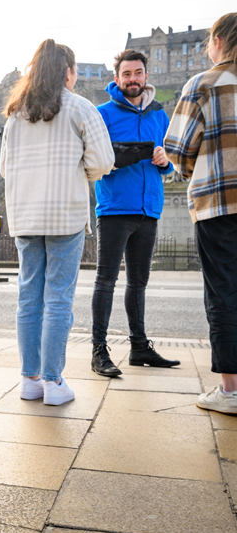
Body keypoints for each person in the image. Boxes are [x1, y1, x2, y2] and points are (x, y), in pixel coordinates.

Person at [1, 39, 114, 405]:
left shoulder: (16, 114)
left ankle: (29, 379)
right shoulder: (80, 108)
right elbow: (103, 163)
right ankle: (53, 382)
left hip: (26, 216)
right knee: (58, 300)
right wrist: (75, 170)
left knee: (28, 298)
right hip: (65, 213)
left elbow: (5, 168)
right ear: (67, 72)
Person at [90, 50, 180, 377]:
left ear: (146, 76)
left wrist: (163, 161)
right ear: (117, 79)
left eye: (138, 73)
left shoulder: (159, 115)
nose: (132, 79)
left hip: (149, 209)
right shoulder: (102, 113)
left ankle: (139, 347)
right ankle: (98, 350)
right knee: (106, 280)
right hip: (114, 208)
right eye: (126, 74)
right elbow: (93, 159)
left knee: (138, 283)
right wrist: (125, 155)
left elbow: (171, 163)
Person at [164, 13, 237, 415]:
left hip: (219, 203)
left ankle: (230, 389)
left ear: (219, 42)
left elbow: (176, 147)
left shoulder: (204, 84)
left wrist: (195, 168)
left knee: (224, 292)